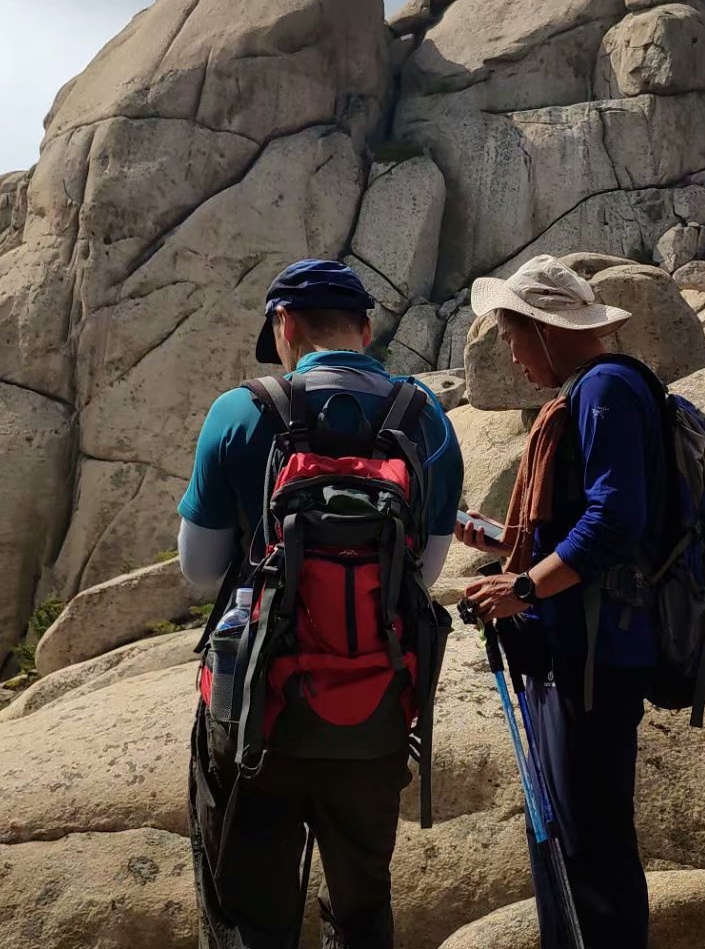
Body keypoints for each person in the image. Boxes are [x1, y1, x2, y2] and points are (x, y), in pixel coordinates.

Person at [177, 258, 464, 949]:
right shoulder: (426, 421)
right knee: (362, 912)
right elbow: (421, 576)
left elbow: (199, 569)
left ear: (284, 325)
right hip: (374, 709)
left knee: (247, 914)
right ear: (366, 328)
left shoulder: (241, 411)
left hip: (254, 713)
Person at [456, 254, 666, 948]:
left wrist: (522, 588)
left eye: (514, 337)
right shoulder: (587, 394)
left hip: (593, 659)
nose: (513, 357)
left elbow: (614, 520)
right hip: (576, 652)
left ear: (546, 329)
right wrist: (487, 538)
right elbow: (567, 526)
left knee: (589, 844)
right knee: (566, 833)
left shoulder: (604, 390)